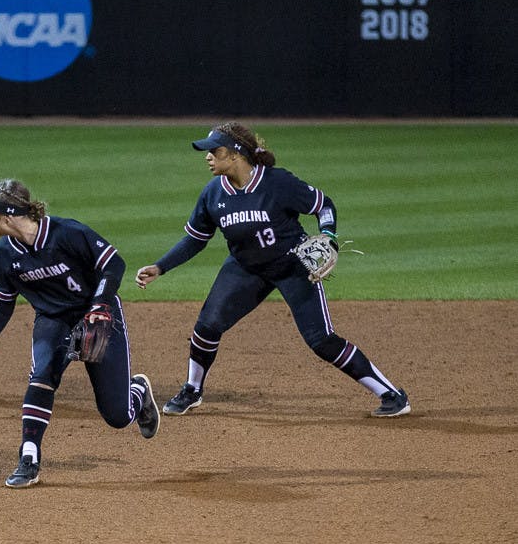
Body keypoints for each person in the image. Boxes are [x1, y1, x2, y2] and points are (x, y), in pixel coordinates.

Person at [135, 122, 410, 418]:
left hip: (292, 267)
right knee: (206, 328)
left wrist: (328, 236)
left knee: (321, 341)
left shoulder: (278, 183)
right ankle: (192, 389)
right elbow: (195, 240)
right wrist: (161, 267)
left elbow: (323, 205)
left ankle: (392, 395)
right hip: (245, 269)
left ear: (236, 154)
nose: (208, 157)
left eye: (215, 151)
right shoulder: (213, 193)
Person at [0, 179, 160, 488]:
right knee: (42, 376)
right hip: (53, 322)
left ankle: (139, 391)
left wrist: (100, 305)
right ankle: (29, 458)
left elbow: (114, 264)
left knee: (117, 416)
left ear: (8, 214)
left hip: (97, 315)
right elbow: (2, 306)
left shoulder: (67, 233)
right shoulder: (4, 255)